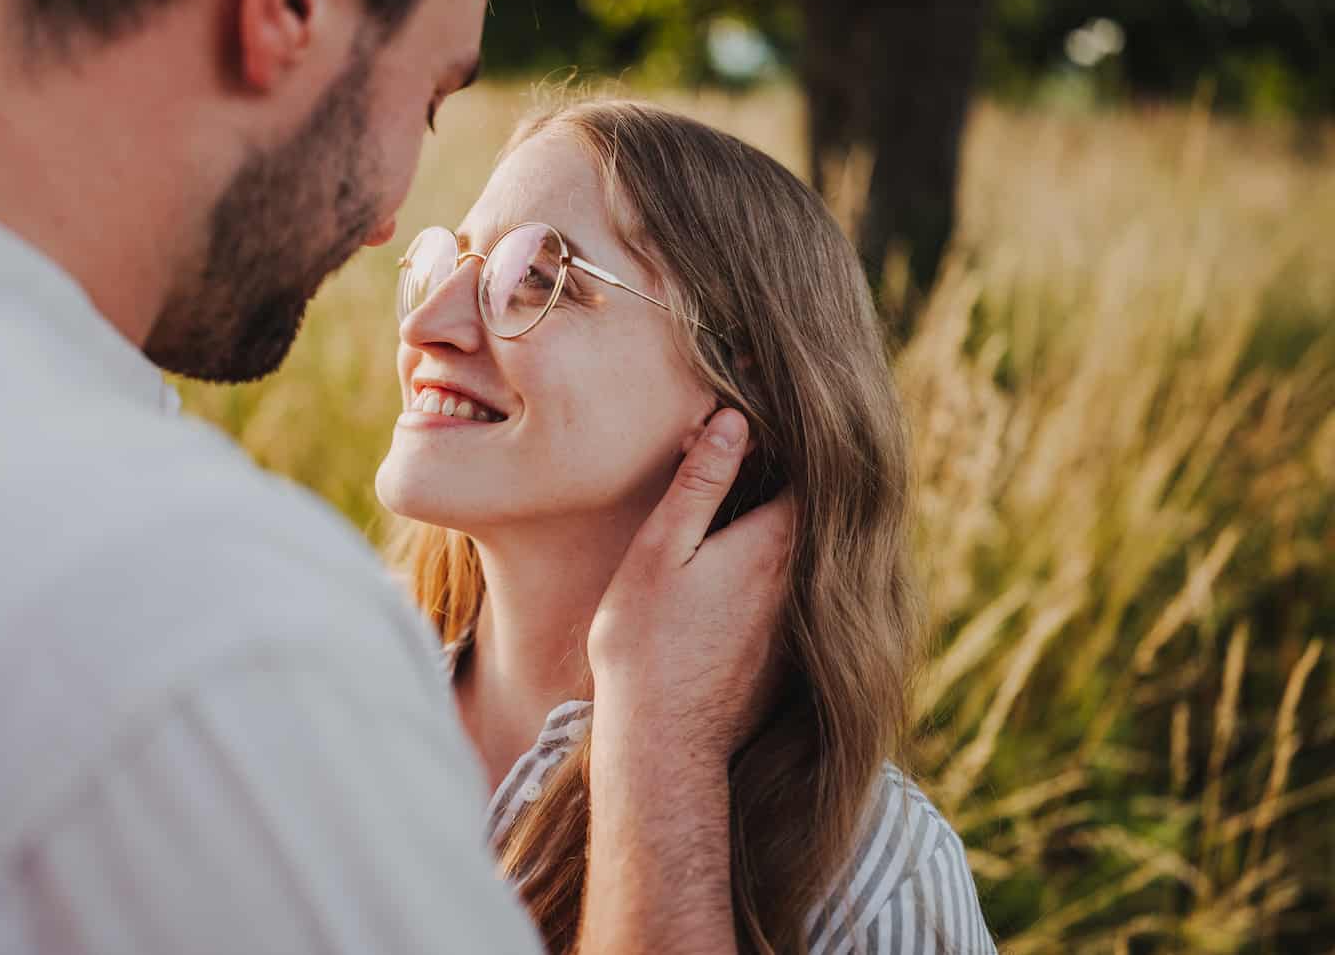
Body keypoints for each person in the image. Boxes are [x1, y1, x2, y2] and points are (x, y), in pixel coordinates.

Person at [0, 0, 794, 953]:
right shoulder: (213, 637)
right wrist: (659, 761)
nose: (386, 222)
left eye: (531, 276)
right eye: (427, 96)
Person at [377, 99, 999, 954]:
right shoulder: (301, 687)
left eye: (535, 275)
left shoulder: (867, 879)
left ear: (734, 384)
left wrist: (657, 730)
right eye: (454, 259)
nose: (426, 327)